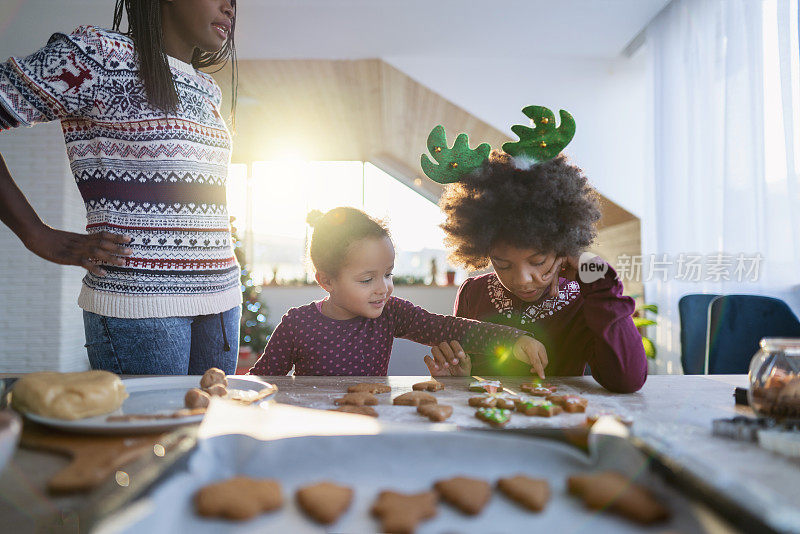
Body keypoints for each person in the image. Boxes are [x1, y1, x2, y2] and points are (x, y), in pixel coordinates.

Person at [0, 0, 242, 374]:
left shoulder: (207, 87)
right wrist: (35, 233)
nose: (230, 7)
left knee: (207, 430)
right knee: (148, 433)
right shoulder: (97, 56)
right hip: (140, 308)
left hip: (222, 301)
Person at [248, 207, 548, 376]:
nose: (383, 288)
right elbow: (262, 380)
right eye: (367, 279)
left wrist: (512, 338)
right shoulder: (297, 324)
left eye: (388, 274)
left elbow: (446, 327)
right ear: (327, 281)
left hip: (373, 426)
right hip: (316, 433)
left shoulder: (391, 312)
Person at [438, 150, 647, 392]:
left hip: (559, 424)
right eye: (502, 264)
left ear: (563, 248)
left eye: (537, 261)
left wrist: (595, 274)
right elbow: (469, 376)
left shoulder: (587, 298)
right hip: (489, 425)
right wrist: (459, 377)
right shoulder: (473, 293)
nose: (522, 279)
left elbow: (627, 380)